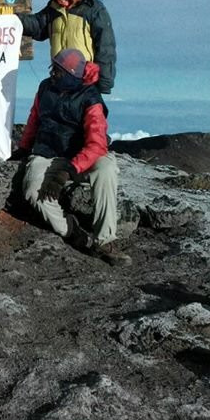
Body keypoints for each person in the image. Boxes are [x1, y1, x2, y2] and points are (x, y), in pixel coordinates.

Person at [15, 48, 128, 265]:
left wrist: (68, 170)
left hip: (82, 155)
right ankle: (72, 231)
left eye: (57, 70)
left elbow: (97, 143)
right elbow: (34, 119)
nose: (52, 74)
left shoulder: (90, 97)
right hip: (47, 152)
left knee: (106, 170)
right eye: (53, 68)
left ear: (71, 74)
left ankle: (105, 240)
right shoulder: (45, 87)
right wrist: (23, 148)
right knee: (32, 191)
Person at [16, 0, 116, 94]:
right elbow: (37, 25)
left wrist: (104, 83)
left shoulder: (94, 9)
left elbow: (106, 47)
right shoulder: (54, 7)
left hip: (84, 81)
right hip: (59, 79)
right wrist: (12, 20)